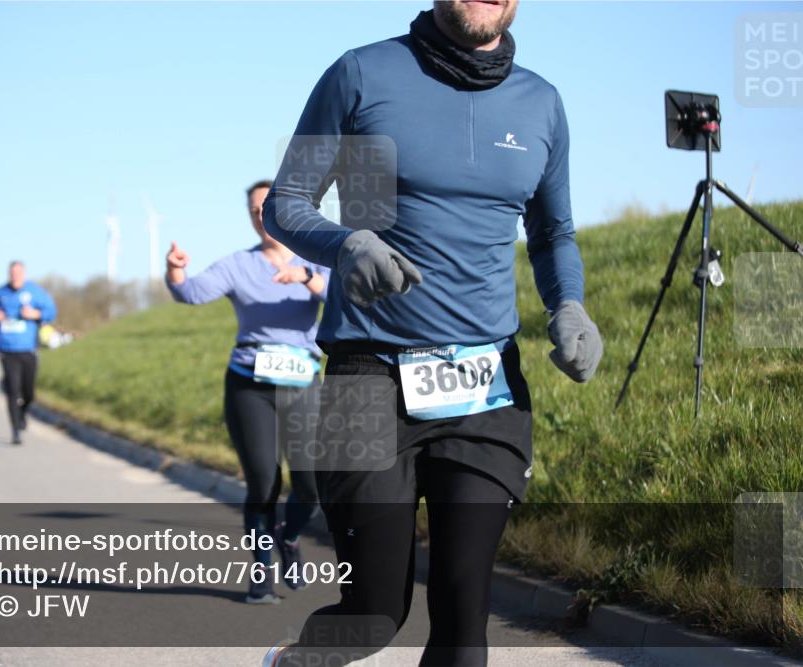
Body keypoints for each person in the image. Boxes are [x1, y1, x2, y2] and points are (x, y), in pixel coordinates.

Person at [261, 3, 603, 666]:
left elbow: (553, 232)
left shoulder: (541, 102)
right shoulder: (362, 73)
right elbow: (287, 203)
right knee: (373, 614)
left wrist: (569, 305)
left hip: (485, 384)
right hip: (368, 375)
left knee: (463, 621)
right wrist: (347, 244)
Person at [167, 180, 330, 605]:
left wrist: (307, 278)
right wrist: (176, 271)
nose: (261, 215)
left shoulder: (317, 259)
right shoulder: (238, 264)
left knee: (311, 484)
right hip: (249, 385)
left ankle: (288, 537)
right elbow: (190, 293)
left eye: (268, 206)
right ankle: (261, 575)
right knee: (263, 484)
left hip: (303, 383)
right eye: (254, 210)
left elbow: (347, 297)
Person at [0, 261, 57, 445]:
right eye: (12, 273)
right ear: (8, 274)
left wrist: (35, 314)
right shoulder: (0, 293)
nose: (15, 276)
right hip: (8, 349)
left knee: (28, 393)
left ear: (24, 274)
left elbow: (51, 311)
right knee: (12, 390)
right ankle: (15, 429)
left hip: (28, 349)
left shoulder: (35, 291)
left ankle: (23, 413)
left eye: (18, 273)